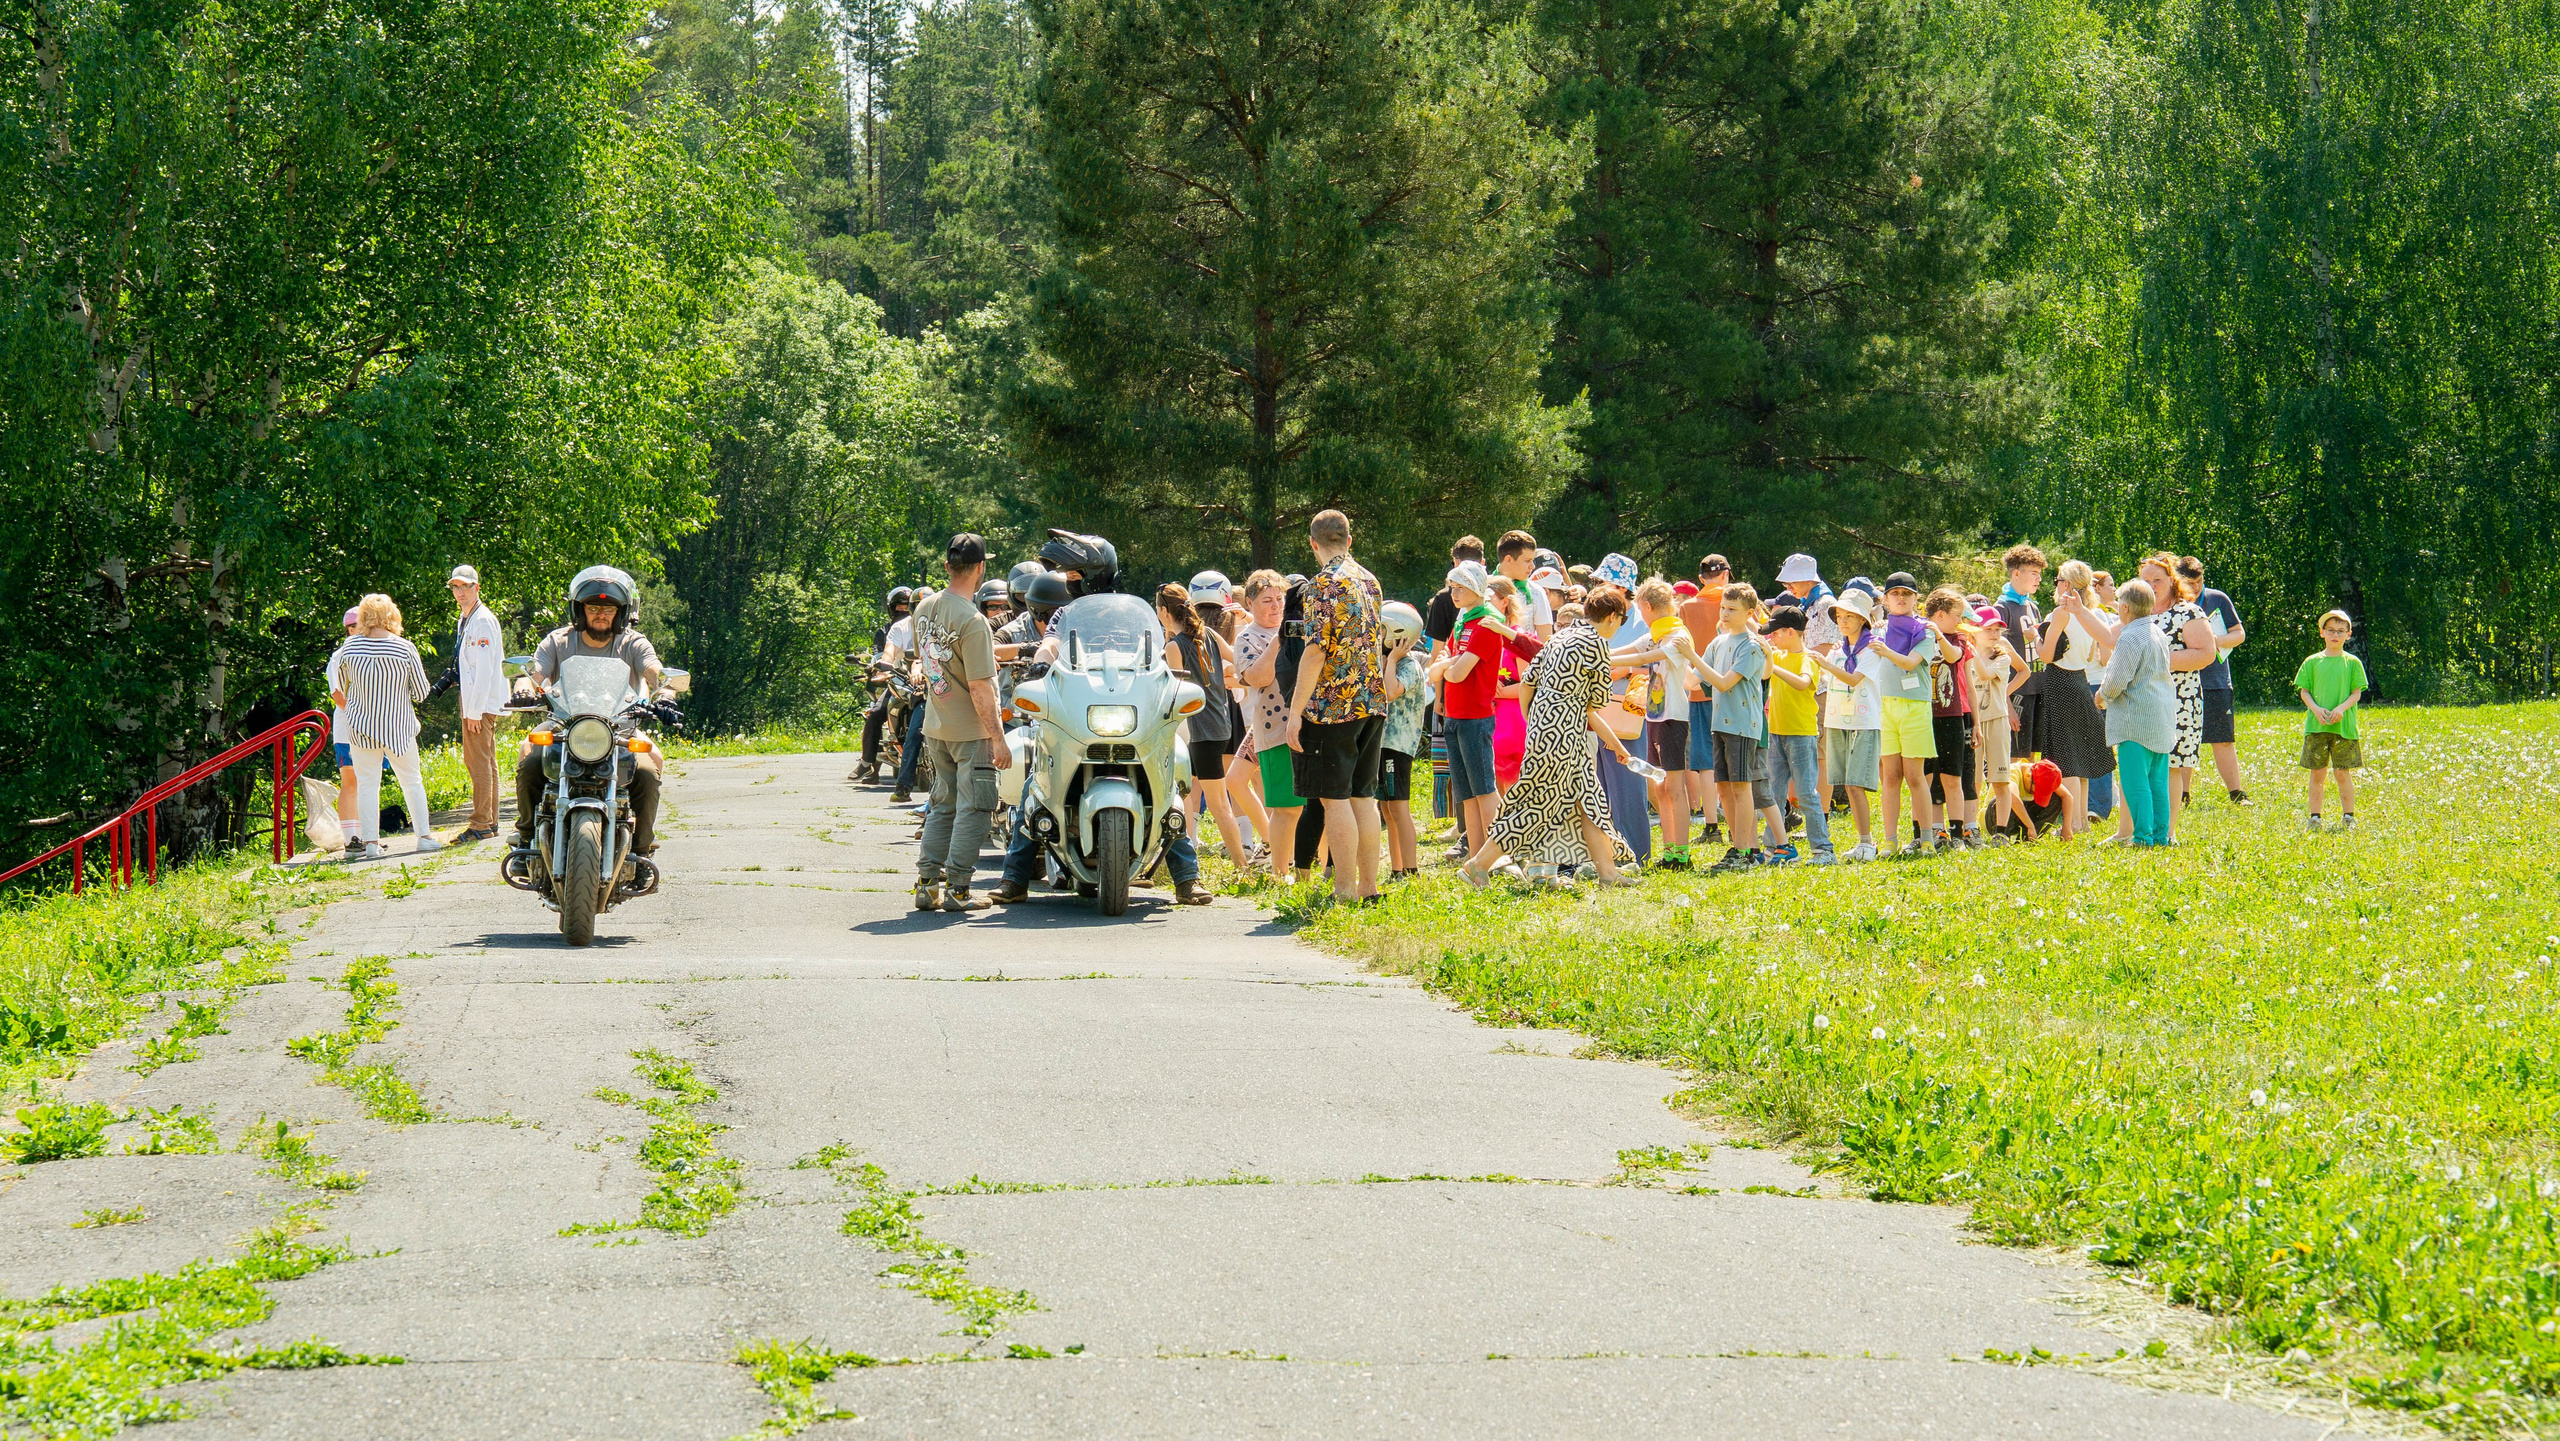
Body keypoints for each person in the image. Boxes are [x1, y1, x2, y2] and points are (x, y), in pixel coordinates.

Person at [1458, 588, 1640, 889]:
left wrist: (1537, 723)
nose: (1620, 625)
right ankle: (1477, 865)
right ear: (1611, 617)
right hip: (1566, 735)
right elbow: (1594, 706)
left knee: (1589, 802)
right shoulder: (1597, 646)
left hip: (1549, 731)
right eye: (1621, 619)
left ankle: (1608, 874)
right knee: (1534, 805)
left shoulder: (1560, 637)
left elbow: (1528, 683)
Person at [511, 567, 666, 861]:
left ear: (622, 613)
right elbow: (535, 671)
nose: (600, 614)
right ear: (579, 610)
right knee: (530, 759)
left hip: (620, 727)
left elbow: (652, 669)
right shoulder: (558, 641)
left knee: (648, 770)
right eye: (593, 607)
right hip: (564, 725)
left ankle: (642, 851)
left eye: (609, 608)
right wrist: (523, 687)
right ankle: (526, 841)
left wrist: (666, 691)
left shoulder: (633, 642)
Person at [1282, 510, 1388, 905]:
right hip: (1372, 701)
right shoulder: (1369, 580)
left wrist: (1295, 711)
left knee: (1335, 799)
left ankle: (1343, 890)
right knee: (1364, 797)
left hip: (1332, 706)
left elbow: (1315, 651)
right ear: (1349, 539)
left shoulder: (1322, 584)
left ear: (1313, 543)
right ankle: (1368, 888)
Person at [908, 536, 1012, 911]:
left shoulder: (923, 608)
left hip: (937, 726)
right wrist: (998, 738)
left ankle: (926, 886)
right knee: (976, 807)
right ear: (981, 568)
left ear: (948, 566)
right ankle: (959, 890)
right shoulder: (972, 620)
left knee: (942, 804)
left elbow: (933, 663)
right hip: (971, 731)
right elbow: (981, 688)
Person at [330, 594, 440, 861]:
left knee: (368, 784)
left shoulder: (349, 649)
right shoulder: (405, 648)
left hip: (361, 727)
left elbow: (339, 687)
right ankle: (424, 837)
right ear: (393, 615)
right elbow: (421, 692)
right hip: (398, 726)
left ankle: (371, 843)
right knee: (412, 781)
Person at [1611, 577, 1703, 866]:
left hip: (1673, 718)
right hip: (1654, 716)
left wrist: (1616, 661)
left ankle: (1682, 854)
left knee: (1674, 788)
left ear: (1648, 606)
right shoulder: (1657, 631)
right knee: (1660, 786)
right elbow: (1626, 651)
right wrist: (1595, 652)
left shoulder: (1677, 634)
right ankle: (1669, 850)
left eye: (1640, 609)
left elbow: (1651, 655)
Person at [1159, 584, 1248, 871]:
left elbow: (1174, 692)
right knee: (1187, 795)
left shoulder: (1175, 647)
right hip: (1220, 725)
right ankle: (1186, 860)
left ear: (1163, 611)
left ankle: (1242, 867)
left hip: (1199, 731)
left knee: (1219, 804)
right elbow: (1238, 657)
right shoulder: (1208, 634)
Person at [1695, 582, 1776, 870]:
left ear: (1750, 613)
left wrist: (1690, 655)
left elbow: (1724, 682)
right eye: (1723, 608)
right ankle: (1742, 847)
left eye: (1732, 609)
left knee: (1742, 789)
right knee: (1725, 788)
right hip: (1720, 724)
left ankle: (1744, 851)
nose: (1725, 614)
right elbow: (1692, 680)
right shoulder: (1717, 643)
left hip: (1743, 726)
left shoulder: (1751, 646)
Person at [1429, 561, 1505, 862]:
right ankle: (1477, 857)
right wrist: (1447, 665)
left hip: (1475, 716)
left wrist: (1447, 665)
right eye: (1451, 587)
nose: (1454, 593)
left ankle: (1499, 857)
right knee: (1468, 795)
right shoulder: (1462, 622)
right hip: (1454, 715)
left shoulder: (1486, 622)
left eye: (1460, 587)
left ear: (1477, 587)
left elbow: (1456, 673)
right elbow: (1436, 671)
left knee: (1485, 790)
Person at [1231, 570, 1303, 881]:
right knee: (1286, 808)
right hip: (1273, 730)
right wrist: (1279, 638)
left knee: (1315, 806)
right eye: (1267, 601)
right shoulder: (1247, 637)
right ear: (1250, 603)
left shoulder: (1303, 630)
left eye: (1280, 599)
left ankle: (1318, 868)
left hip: (1308, 725)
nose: (1276, 606)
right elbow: (1257, 677)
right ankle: (1279, 872)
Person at [2033, 561, 2113, 838]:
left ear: (2066, 584)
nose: (2055, 585)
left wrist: (2035, 637)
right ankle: (2083, 821)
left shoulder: (2060, 614)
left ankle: (2074, 824)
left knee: (2065, 757)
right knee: (2081, 756)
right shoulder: (2092, 615)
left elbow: (2045, 655)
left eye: (2057, 580)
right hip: (2081, 681)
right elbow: (2097, 656)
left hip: (2059, 681)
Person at [2096, 579, 2176, 846]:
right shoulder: (2157, 633)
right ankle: (2160, 835)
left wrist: (2102, 695)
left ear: (2126, 607)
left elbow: (2118, 679)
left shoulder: (2130, 636)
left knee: (2134, 782)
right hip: (2161, 716)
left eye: (2119, 602)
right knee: (2157, 783)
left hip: (2135, 720)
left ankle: (2142, 837)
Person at [1811, 588, 1884, 861]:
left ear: (1863, 619)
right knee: (1845, 782)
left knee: (1855, 784)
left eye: (1850, 615)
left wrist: (1825, 664)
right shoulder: (1838, 649)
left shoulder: (1873, 648)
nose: (1843, 621)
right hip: (1837, 718)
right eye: (1840, 615)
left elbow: (1854, 679)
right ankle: (1862, 841)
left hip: (1865, 720)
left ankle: (1867, 842)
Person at [1872, 573, 1941, 854]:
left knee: (1915, 776)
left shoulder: (1925, 631)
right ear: (1886, 600)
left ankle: (1926, 839)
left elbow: (1911, 663)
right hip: (1884, 705)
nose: (1900, 598)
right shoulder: (1877, 630)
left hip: (1915, 707)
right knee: (1890, 776)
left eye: (1906, 594)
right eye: (1894, 594)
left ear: (1916, 599)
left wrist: (1885, 650)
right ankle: (1889, 841)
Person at [1759, 607, 1833, 864]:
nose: (1772, 638)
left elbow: (1803, 683)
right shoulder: (1777, 655)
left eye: (1776, 633)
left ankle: (1823, 850)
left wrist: (1773, 663)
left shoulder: (1807, 658)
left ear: (1790, 632)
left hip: (1801, 734)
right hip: (1776, 733)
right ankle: (1773, 847)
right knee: (1773, 794)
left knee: (1806, 793)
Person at [444, 565, 508, 843]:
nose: (460, 592)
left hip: (479, 705)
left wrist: (474, 712)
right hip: (475, 702)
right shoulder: (467, 618)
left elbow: (484, 671)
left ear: (477, 588)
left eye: (465, 587)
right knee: (486, 761)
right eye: (455, 587)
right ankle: (489, 822)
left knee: (477, 762)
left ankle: (480, 823)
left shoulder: (481, 620)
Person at [2183, 556, 2249, 803]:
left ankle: (2236, 793)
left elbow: (2239, 634)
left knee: (2223, 739)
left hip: (2216, 682)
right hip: (2183, 681)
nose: (2196, 587)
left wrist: (2214, 642)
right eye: (2190, 583)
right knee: (2184, 738)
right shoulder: (2173, 603)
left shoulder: (2218, 599)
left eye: (2199, 581)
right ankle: (2183, 794)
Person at [2296, 610, 2365, 832]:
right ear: (2322, 632)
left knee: (2342, 772)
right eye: (2331, 630)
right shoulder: (2312, 662)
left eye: (2341, 631)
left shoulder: (2352, 662)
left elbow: (2356, 693)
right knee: (2317, 773)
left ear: (2348, 634)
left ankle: (2349, 816)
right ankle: (2315, 817)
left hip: (2343, 728)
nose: (2335, 635)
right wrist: (2315, 709)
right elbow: (2304, 691)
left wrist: (2341, 709)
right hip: (2317, 726)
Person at [1921, 587, 1980, 848]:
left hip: (1951, 715)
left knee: (1952, 776)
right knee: (1926, 777)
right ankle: (1934, 830)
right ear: (1941, 614)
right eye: (1957, 615)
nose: (1960, 620)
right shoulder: (1917, 634)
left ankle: (1957, 833)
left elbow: (1953, 656)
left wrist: (1937, 634)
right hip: (1921, 715)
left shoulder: (1957, 639)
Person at [1376, 601, 1428, 880]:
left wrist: (1393, 660)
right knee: (1386, 807)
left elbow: (1391, 691)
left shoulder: (1407, 665)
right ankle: (1397, 868)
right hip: (1384, 744)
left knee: (1399, 807)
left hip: (1397, 747)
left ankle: (1410, 869)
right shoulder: (1388, 662)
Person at [1967, 606, 2027, 842]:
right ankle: (1971, 828)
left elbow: (1984, 675)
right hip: (1974, 722)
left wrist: (2005, 693)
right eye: (1988, 629)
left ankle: (2001, 831)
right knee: (1973, 779)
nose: (1994, 634)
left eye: (1997, 630)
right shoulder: (1967, 654)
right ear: (1974, 630)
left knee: (2000, 778)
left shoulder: (2002, 656)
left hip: (1998, 721)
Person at [857, 586, 915, 784]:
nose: (903, 610)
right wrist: (879, 666)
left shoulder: (923, 626)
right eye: (899, 607)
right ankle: (868, 763)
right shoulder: (885, 631)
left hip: (919, 682)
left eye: (908, 607)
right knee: (875, 714)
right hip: (896, 680)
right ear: (892, 608)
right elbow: (880, 654)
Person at [1423, 536, 1485, 650]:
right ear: (1482, 563)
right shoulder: (1496, 593)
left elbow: (1437, 650)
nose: (1455, 594)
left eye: (1460, 587)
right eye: (1455, 587)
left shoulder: (1444, 598)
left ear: (1456, 562)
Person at [1493, 530, 1555, 639]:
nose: (1532, 566)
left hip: (1523, 656)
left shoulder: (1536, 592)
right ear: (1509, 559)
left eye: (1533, 560)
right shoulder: (1481, 588)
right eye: (1527, 561)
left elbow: (1545, 640)